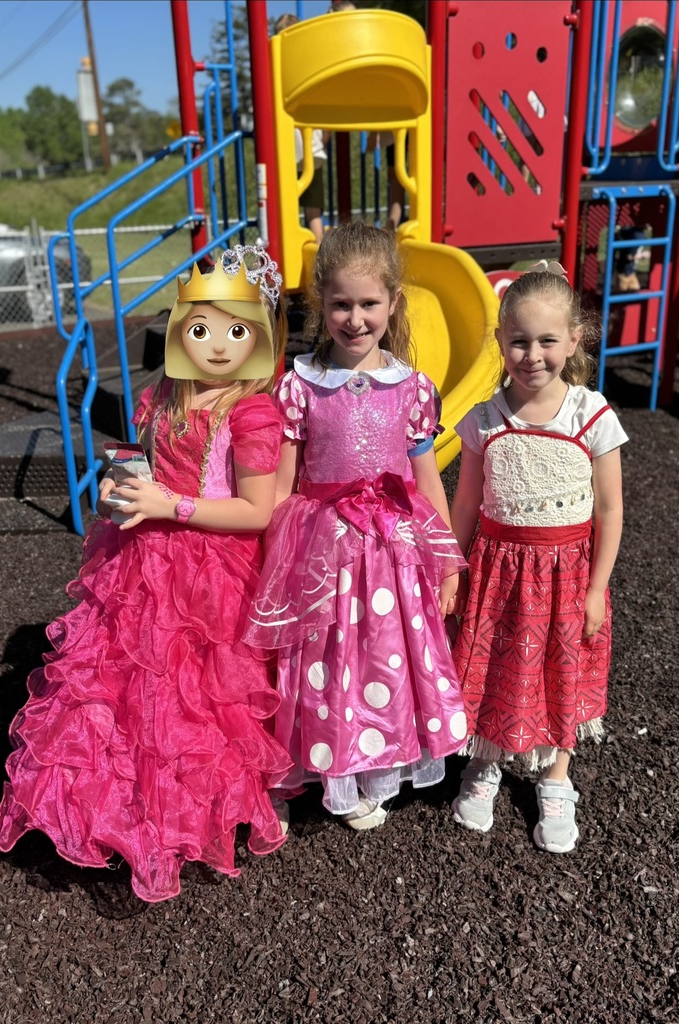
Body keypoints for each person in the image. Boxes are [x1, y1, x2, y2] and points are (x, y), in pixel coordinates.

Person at [0, 247, 294, 902]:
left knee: (198, 693)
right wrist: (125, 488)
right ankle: (115, 802)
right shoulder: (162, 394)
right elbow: (148, 464)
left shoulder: (251, 413)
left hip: (212, 572)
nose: (217, 344)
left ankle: (191, 805)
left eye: (236, 330)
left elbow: (257, 509)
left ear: (263, 336)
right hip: (139, 558)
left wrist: (171, 504)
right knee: (124, 682)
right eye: (202, 327)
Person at [245, 222, 468, 831]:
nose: (355, 317)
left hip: (392, 550)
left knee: (381, 654)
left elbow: (427, 483)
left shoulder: (412, 388)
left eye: (369, 303)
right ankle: (313, 762)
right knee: (322, 656)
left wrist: (445, 561)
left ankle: (370, 766)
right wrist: (275, 559)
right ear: (321, 302)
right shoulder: (300, 387)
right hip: (324, 549)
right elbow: (287, 487)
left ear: (393, 302)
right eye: (341, 303)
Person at [449, 260, 628, 853]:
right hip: (499, 572)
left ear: (573, 340)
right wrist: (452, 565)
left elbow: (608, 510)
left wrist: (598, 587)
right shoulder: (485, 421)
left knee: (561, 671)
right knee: (495, 667)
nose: (532, 354)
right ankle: (486, 762)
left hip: (567, 576)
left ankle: (556, 777)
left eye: (548, 340)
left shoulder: (591, 415)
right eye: (519, 340)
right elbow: (467, 504)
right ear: (500, 341)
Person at [275, 13, 329, 245]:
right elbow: (326, 118)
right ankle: (319, 250)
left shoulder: (278, 69)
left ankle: (288, 246)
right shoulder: (309, 68)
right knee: (313, 210)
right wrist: (322, 141)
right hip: (312, 148)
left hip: (287, 150)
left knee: (284, 206)